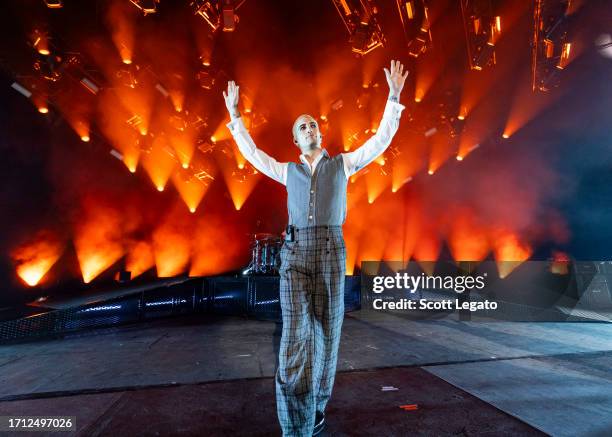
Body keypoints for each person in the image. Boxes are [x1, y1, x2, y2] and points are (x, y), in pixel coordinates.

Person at [224, 60, 408, 436]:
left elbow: (380, 140)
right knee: (296, 332)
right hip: (294, 253)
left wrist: (393, 97)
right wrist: (235, 117)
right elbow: (252, 154)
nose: (309, 128)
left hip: (330, 250)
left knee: (327, 330)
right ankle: (295, 423)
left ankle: (317, 405)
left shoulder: (343, 164)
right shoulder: (285, 170)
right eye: (302, 126)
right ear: (295, 140)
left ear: (320, 134)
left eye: (313, 124)